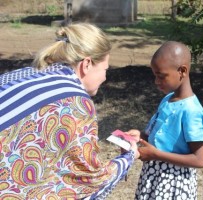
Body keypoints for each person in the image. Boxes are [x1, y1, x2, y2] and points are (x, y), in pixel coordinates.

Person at [0, 23, 140, 199]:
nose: (105, 77)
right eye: (105, 69)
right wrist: (128, 157)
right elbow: (89, 180)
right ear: (87, 64)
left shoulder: (22, 74)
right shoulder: (76, 101)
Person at [134, 41, 203, 200]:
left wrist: (156, 155)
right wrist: (138, 136)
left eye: (161, 76)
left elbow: (199, 160)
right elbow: (157, 136)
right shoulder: (168, 99)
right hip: (153, 176)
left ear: (182, 71)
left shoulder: (192, 111)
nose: (156, 81)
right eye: (155, 75)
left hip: (175, 183)